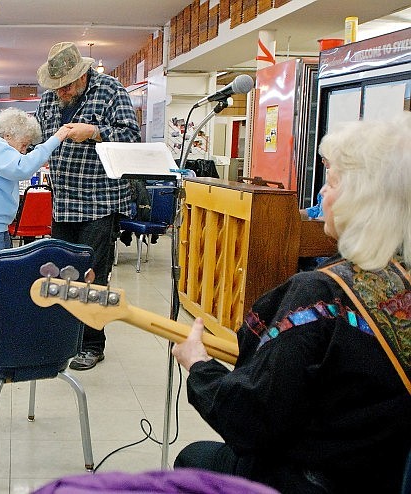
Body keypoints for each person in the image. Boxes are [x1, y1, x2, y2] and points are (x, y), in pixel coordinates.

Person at [171, 115, 411, 493]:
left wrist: (199, 365)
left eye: (330, 183)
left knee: (193, 459)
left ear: (361, 200)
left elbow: (250, 420)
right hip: (381, 475)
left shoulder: (320, 294)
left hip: (312, 481)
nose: (321, 196)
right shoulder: (401, 282)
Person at [35, 41, 140, 370]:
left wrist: (94, 131)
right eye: (57, 87)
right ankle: (67, 337)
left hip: (100, 201)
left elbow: (131, 138)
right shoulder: (49, 99)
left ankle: (92, 344)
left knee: (93, 275)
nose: (61, 93)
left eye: (66, 86)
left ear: (82, 76)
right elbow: (43, 138)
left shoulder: (111, 91)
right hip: (63, 201)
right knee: (61, 272)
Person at [0, 108, 69, 329]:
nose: (24, 150)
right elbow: (22, 168)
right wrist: (56, 139)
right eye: (24, 144)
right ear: (8, 135)